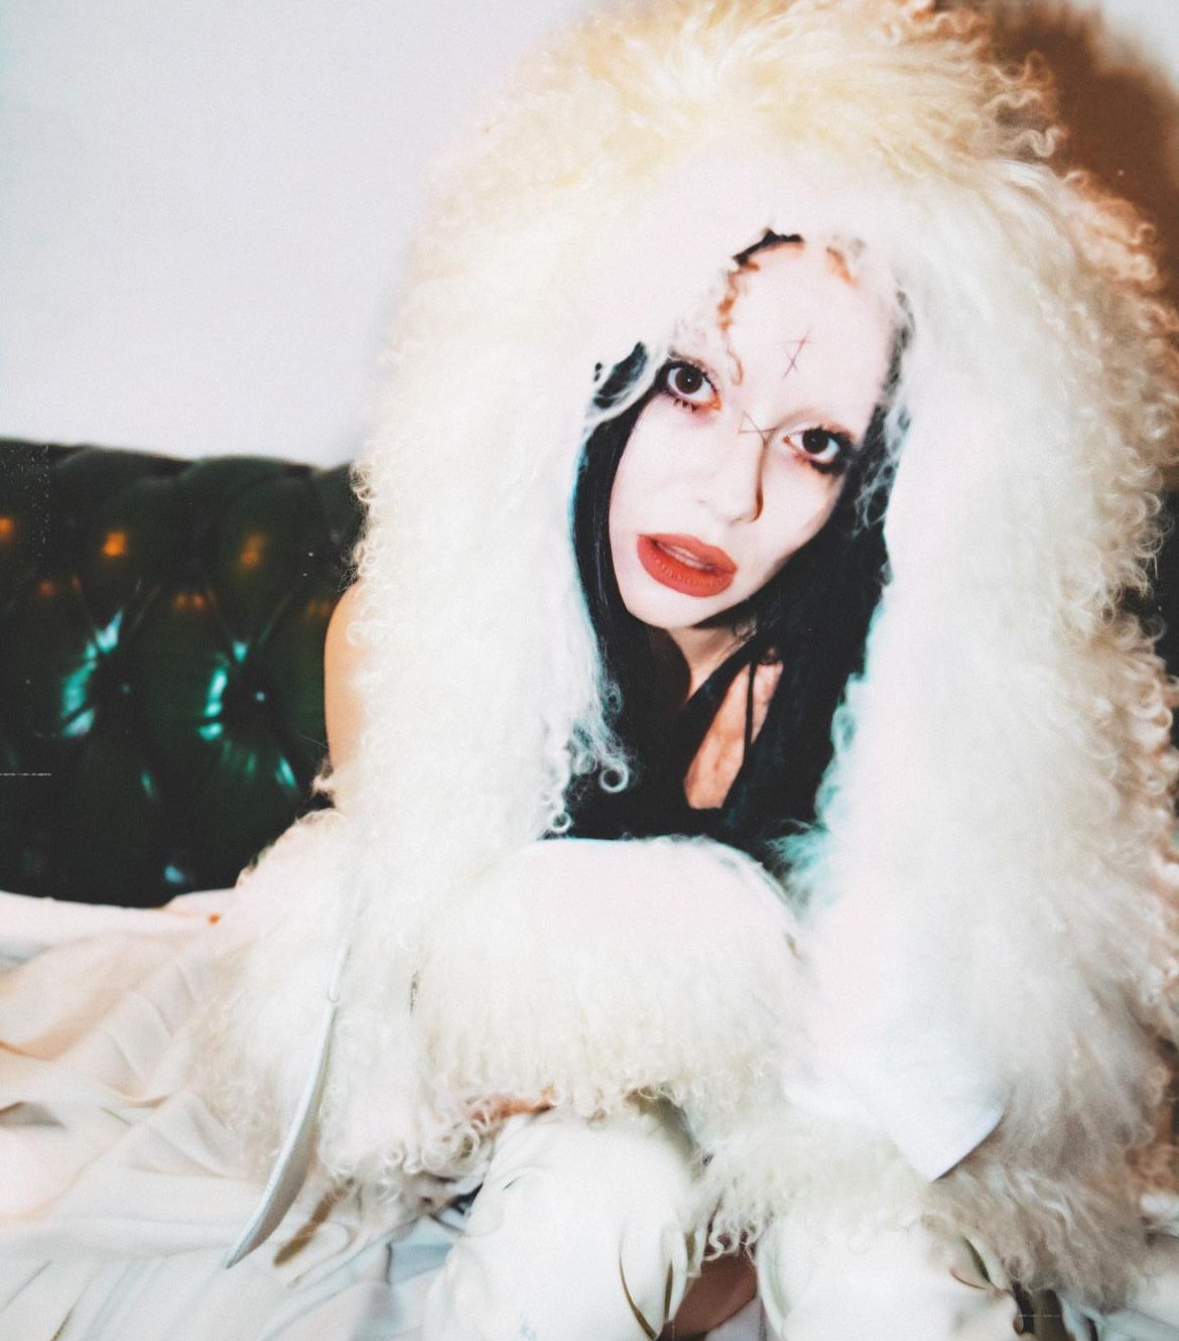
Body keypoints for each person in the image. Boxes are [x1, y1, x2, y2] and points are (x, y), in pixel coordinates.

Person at [3, 0, 1179, 1337]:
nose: (729, 490)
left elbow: (943, 1086)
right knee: (597, 1190)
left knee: (880, 1259)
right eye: (691, 383)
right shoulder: (427, 644)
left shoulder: (898, 696)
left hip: (797, 1196)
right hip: (497, 1188)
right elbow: (432, 1069)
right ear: (592, 365)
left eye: (816, 445)